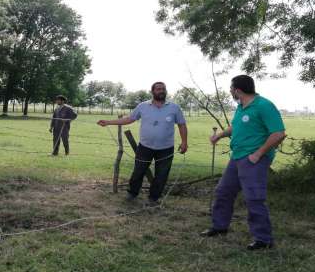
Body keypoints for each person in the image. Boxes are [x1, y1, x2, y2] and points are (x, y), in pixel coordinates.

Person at [201, 75, 286, 250]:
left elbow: (278, 133)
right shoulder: (241, 107)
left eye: (231, 88)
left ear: (238, 90)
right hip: (237, 157)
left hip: (254, 160)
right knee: (223, 191)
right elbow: (236, 126)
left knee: (254, 198)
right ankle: (219, 227)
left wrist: (258, 154)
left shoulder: (264, 106)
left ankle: (263, 239)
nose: (230, 91)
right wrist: (219, 135)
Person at [98, 82, 188, 203]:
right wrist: (109, 122)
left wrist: (184, 142)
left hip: (166, 148)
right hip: (145, 147)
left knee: (161, 175)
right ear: (152, 92)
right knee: (138, 171)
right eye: (158, 89)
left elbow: (182, 125)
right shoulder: (143, 106)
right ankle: (132, 194)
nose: (161, 91)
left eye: (163, 89)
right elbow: (129, 119)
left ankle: (153, 198)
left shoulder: (174, 108)